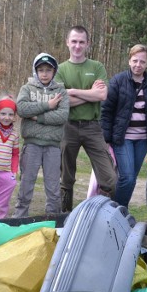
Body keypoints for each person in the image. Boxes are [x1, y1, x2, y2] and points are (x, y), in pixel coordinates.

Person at [55, 25, 116, 212]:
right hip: (68, 126)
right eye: (74, 41)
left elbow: (102, 96)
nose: (77, 46)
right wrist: (90, 93)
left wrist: (71, 92)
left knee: (109, 178)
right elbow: (59, 102)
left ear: (88, 44)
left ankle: (100, 214)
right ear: (67, 43)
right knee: (66, 177)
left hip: (92, 127)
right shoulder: (60, 70)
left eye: (82, 42)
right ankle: (65, 217)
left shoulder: (97, 67)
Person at [101, 44, 147, 208]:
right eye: (135, 60)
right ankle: (118, 210)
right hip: (123, 139)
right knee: (127, 177)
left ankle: (119, 210)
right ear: (129, 61)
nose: (138, 65)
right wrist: (106, 139)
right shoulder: (117, 81)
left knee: (131, 179)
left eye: (142, 62)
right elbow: (106, 111)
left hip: (143, 140)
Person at [13, 53, 70, 218]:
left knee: (53, 187)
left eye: (48, 70)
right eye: (41, 70)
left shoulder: (60, 91)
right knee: (26, 183)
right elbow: (22, 109)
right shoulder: (27, 88)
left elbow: (62, 117)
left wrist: (37, 116)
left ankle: (53, 220)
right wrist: (48, 105)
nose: (44, 73)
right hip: (31, 145)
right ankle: (20, 217)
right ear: (35, 71)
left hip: (52, 146)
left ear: (54, 71)